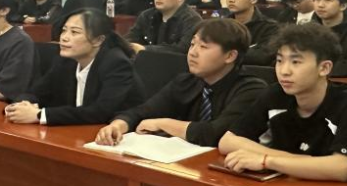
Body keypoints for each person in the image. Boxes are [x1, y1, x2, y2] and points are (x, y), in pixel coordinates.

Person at [219, 23, 347, 181]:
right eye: (279, 60)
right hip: (281, 185)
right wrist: (295, 161)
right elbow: (227, 141)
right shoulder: (275, 94)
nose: (284, 71)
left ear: (324, 68)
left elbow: (343, 168)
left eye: (296, 62)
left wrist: (266, 161)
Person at [96, 19, 266, 147]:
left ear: (230, 56)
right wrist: (118, 125)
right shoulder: (186, 81)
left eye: (203, 47)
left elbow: (216, 133)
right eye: (192, 44)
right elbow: (143, 111)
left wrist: (163, 123)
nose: (192, 53)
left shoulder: (251, 89)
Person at [5, 9, 142, 125]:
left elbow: (100, 112)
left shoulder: (116, 63)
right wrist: (19, 106)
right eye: (64, 30)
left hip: (112, 135)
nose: (64, 37)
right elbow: (36, 92)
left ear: (98, 40)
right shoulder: (66, 60)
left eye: (74, 32)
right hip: (75, 130)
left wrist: (39, 115)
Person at [125, 0, 202, 54]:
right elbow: (131, 37)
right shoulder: (146, 15)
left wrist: (144, 49)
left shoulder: (191, 19)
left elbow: (182, 49)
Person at [223, 0, 281, 65]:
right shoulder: (222, 25)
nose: (231, 0)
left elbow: (262, 56)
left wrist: (224, 54)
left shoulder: (270, 28)